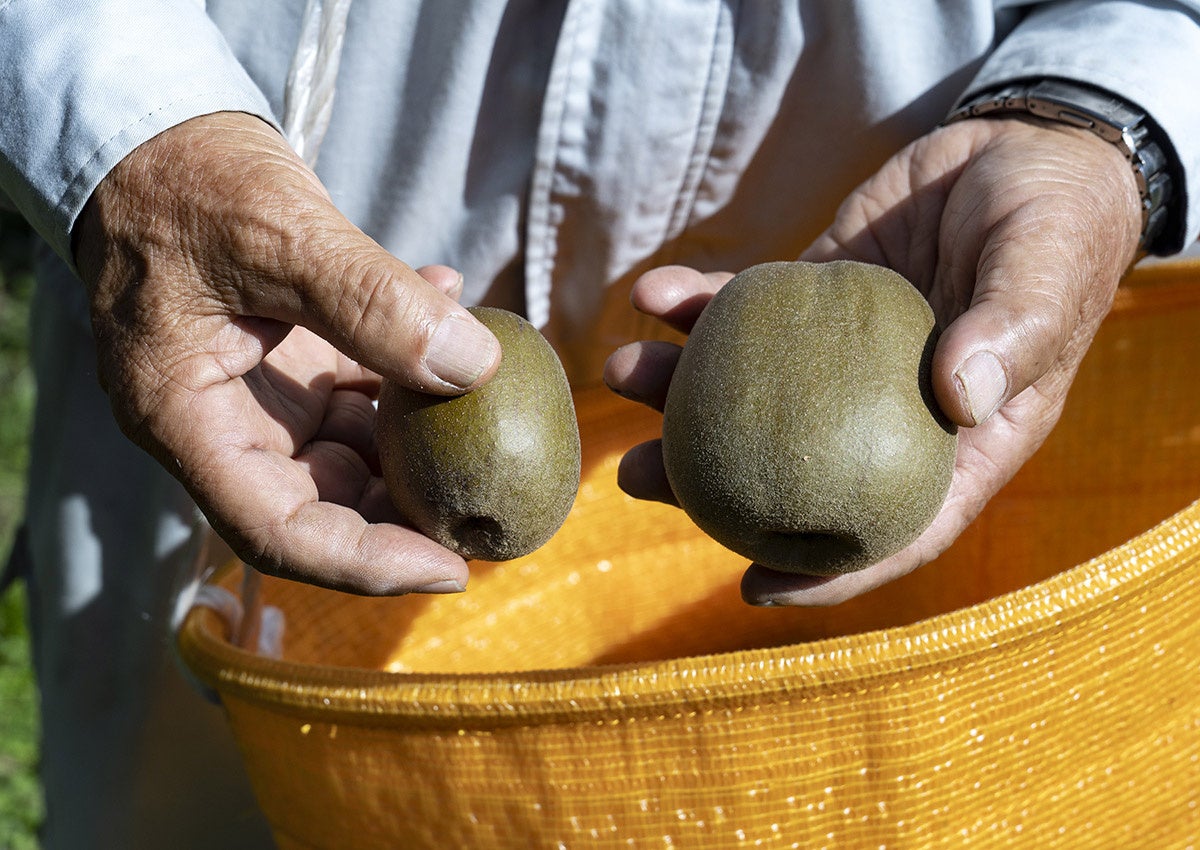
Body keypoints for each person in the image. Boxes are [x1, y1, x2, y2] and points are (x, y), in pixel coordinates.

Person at [2, 1, 1198, 847]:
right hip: (276, 247)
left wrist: (1096, 115)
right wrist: (130, 132)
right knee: (211, 769)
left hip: (900, 187)